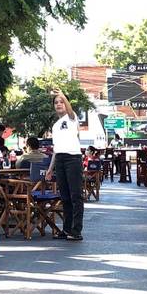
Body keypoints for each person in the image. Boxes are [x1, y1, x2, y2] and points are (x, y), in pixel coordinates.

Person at [46, 89, 84, 241]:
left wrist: (61, 94)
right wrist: (50, 169)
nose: (58, 104)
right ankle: (66, 228)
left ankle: (76, 230)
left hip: (73, 158)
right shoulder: (55, 125)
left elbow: (70, 110)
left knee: (76, 195)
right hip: (60, 159)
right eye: (56, 102)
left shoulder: (71, 118)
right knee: (65, 197)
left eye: (61, 101)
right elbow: (55, 149)